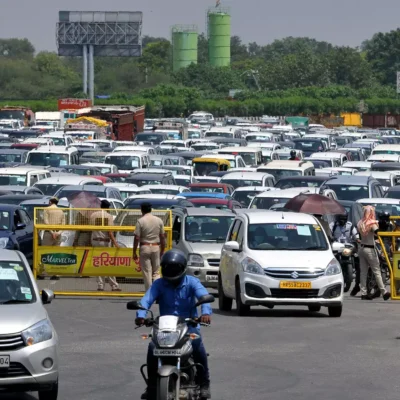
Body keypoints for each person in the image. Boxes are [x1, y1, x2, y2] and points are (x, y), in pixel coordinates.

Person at [135, 250, 212, 400]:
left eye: (174, 268)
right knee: (152, 348)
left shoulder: (192, 282)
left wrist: (206, 313)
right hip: (166, 328)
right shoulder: (159, 284)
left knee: (197, 346)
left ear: (182, 268)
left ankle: (204, 384)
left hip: (189, 326)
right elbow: (146, 300)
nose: (171, 271)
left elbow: (203, 296)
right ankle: (151, 386)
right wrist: (141, 316)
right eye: (168, 268)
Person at [357, 206, 390, 301]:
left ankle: (363, 293)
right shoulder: (371, 223)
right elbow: (378, 232)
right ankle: (384, 292)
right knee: (377, 271)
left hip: (362, 248)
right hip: (370, 249)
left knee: (363, 272)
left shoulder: (361, 223)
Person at [133, 202, 166, 290]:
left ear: (141, 210)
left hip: (145, 247)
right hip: (156, 247)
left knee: (147, 272)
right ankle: (157, 291)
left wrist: (134, 252)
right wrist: (163, 249)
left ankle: (149, 293)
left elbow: (137, 238)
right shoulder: (159, 220)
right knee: (156, 272)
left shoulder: (140, 221)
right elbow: (162, 237)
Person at [90, 200, 121, 292]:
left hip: (95, 241)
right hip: (105, 242)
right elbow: (110, 232)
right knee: (108, 263)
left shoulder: (93, 215)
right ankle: (114, 285)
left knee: (98, 263)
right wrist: (115, 243)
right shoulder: (109, 216)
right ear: (108, 207)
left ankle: (100, 285)